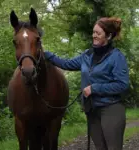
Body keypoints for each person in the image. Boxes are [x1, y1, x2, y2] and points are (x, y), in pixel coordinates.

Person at [44, 17, 129, 150]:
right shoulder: (87, 56)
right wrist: (45, 54)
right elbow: (66, 64)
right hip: (92, 110)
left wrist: (95, 88)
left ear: (109, 35)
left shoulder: (117, 57)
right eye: (94, 32)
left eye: (98, 33)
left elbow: (122, 84)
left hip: (111, 109)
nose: (94, 35)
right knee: (100, 147)